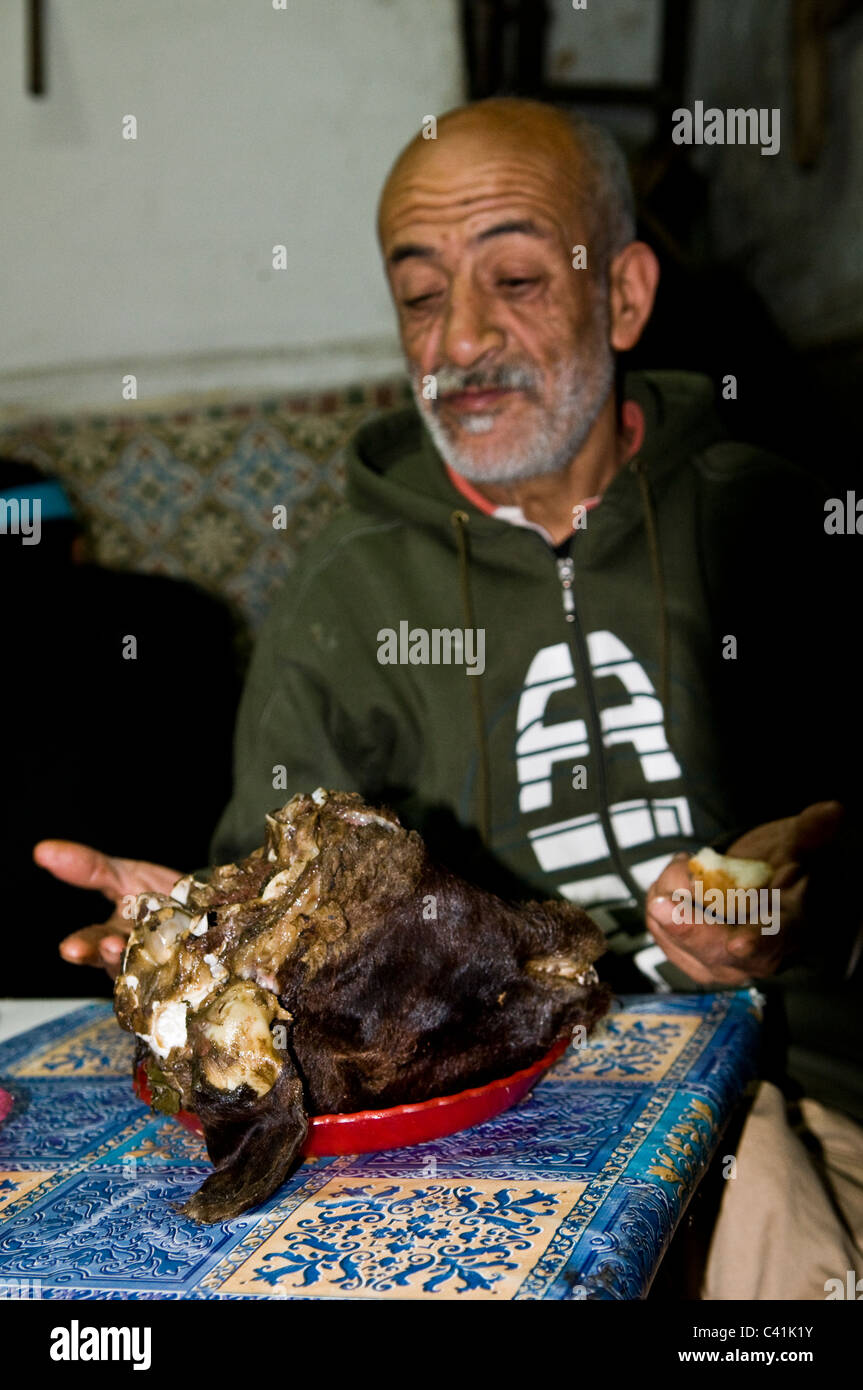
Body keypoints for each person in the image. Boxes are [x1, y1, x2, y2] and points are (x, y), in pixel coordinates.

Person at [34, 99, 862, 1298]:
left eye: (515, 278)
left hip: (787, 1082)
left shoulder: (776, 526)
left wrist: (815, 888)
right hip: (481, 1128)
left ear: (623, 297)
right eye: (420, 296)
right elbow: (258, 897)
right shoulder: (344, 593)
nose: (459, 340)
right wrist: (206, 942)